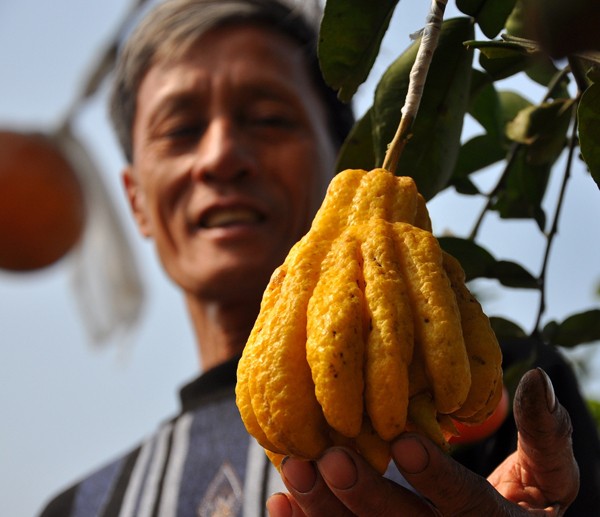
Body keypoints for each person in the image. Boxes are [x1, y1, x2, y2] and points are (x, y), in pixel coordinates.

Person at [39, 0, 598, 515]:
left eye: (268, 118)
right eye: (181, 129)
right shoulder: (84, 506)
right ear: (136, 200)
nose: (221, 157)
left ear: (340, 155)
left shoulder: (500, 403)